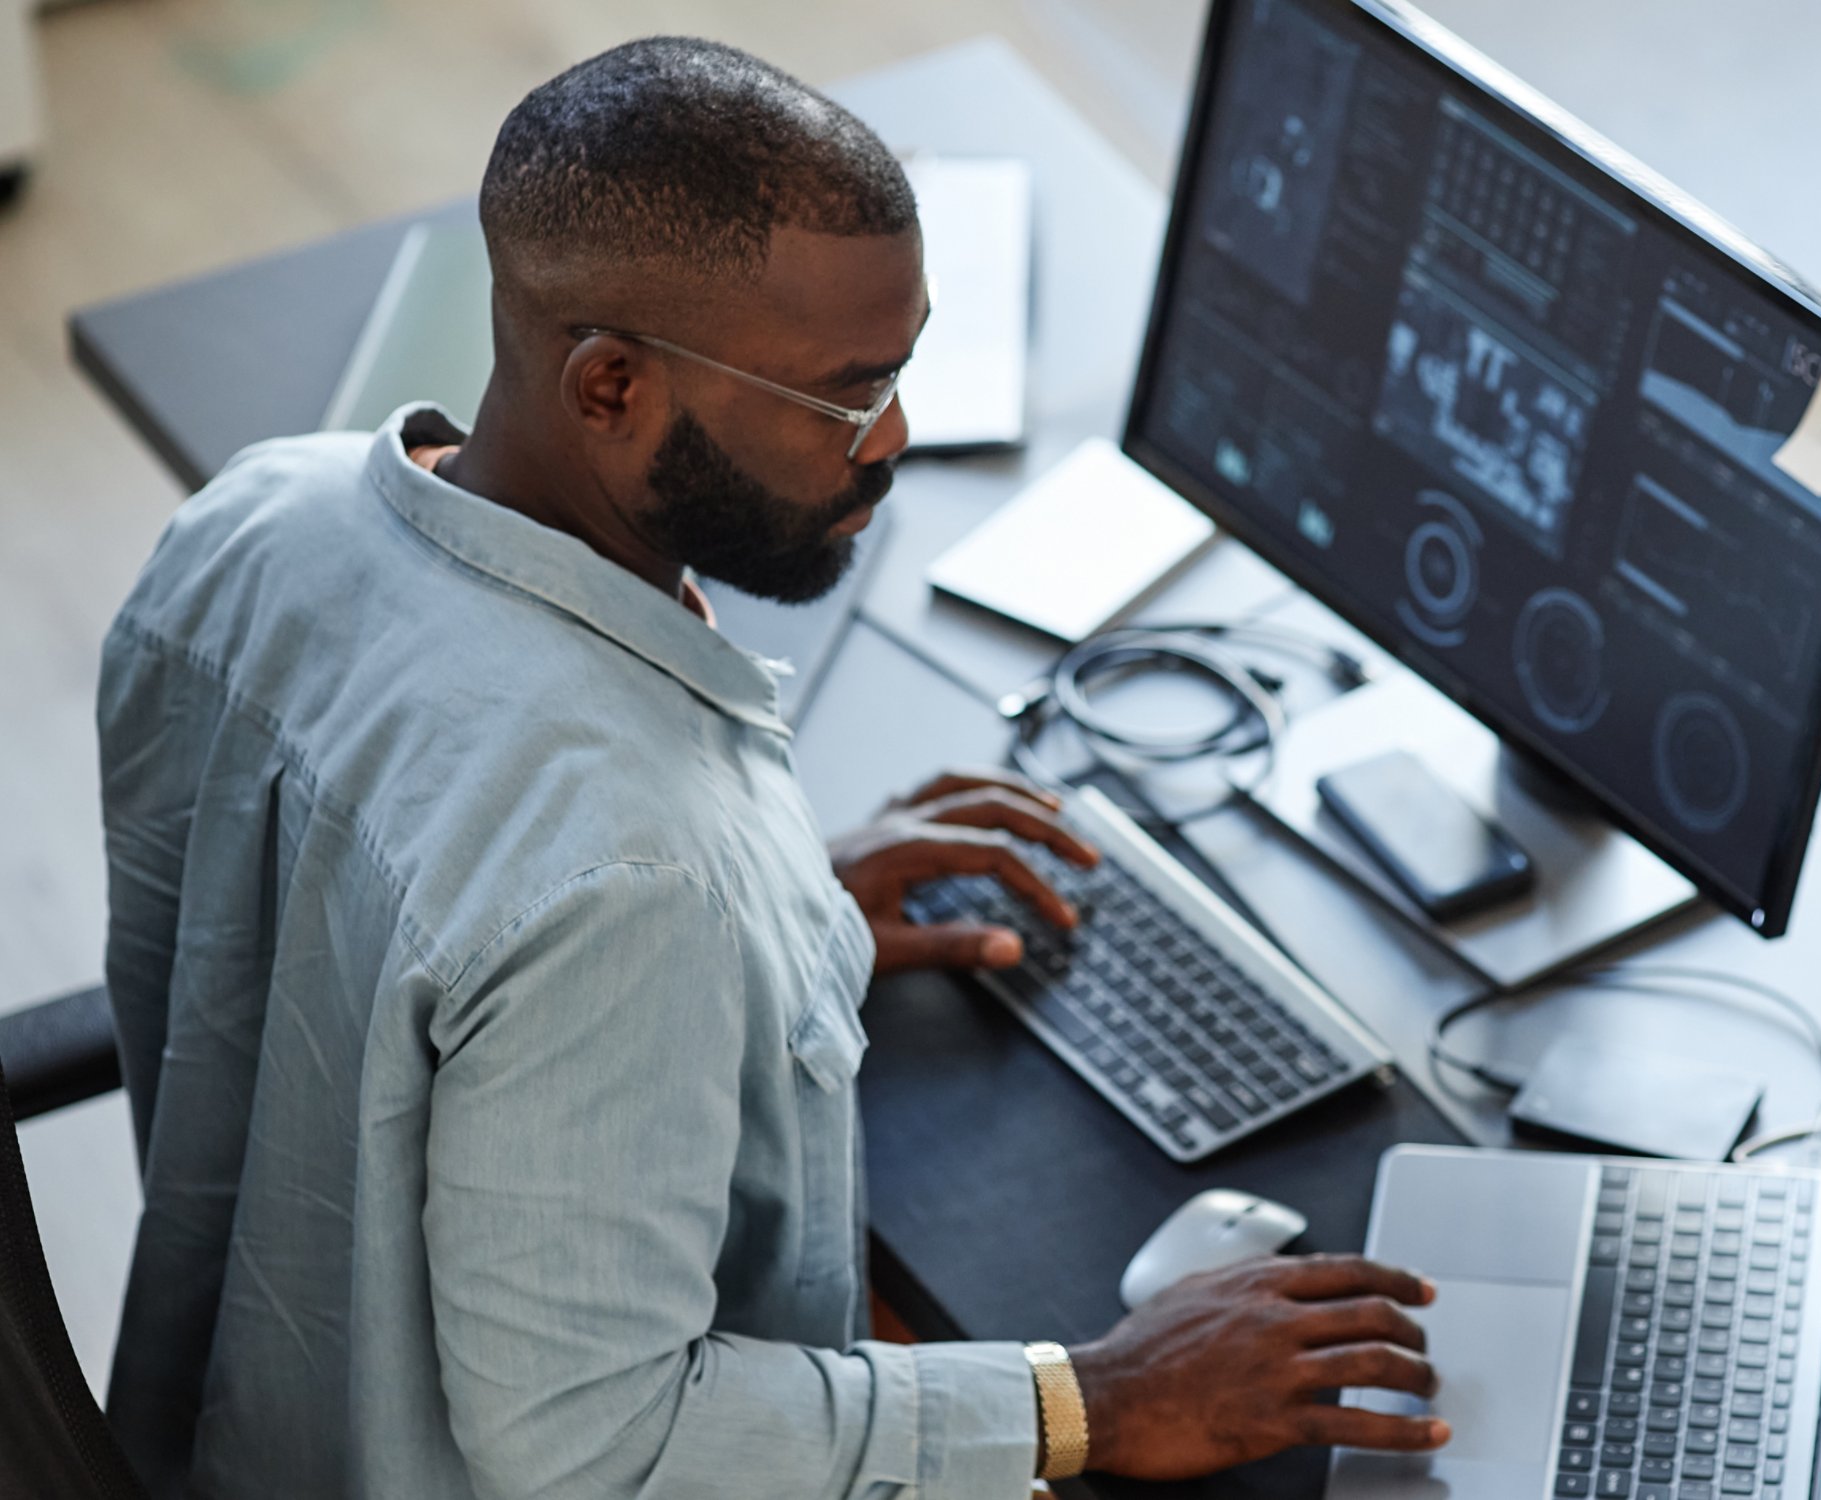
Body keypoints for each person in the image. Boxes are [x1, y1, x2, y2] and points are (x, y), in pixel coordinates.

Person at [96, 37, 1450, 1500]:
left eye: (905, 366)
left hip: (231, 1418)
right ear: (609, 385)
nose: (897, 439)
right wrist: (1091, 1400)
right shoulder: (628, 874)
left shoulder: (253, 519)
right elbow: (596, 1450)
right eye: (845, 395)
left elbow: (381, 928)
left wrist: (774, 933)